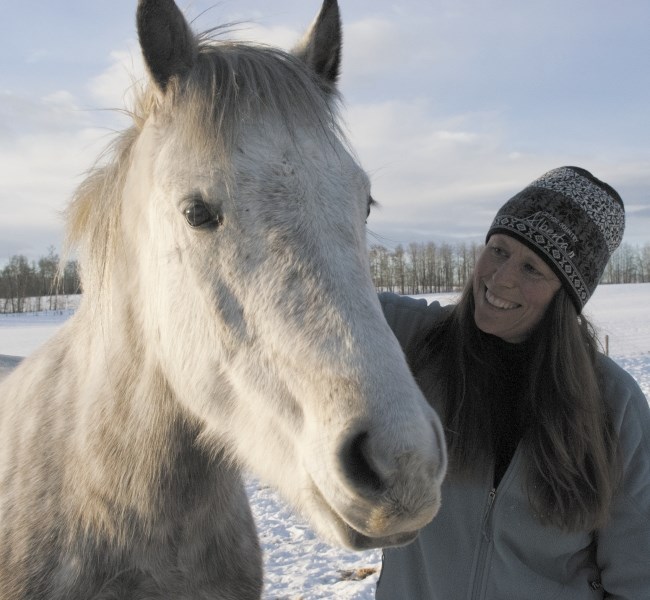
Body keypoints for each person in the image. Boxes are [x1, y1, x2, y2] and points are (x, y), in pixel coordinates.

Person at [375, 166, 650, 600]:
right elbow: (306, 291)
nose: (501, 278)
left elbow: (638, 577)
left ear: (567, 294)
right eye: (499, 250)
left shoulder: (613, 405)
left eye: (532, 268)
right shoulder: (411, 341)